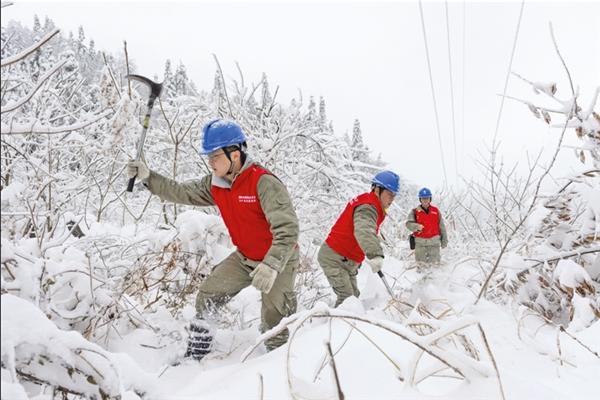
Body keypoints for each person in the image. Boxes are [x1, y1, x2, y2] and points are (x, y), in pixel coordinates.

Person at [127, 119, 299, 361]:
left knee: (274, 319)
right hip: (245, 257)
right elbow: (182, 191)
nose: (210, 162)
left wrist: (271, 265)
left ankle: (279, 364)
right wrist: (148, 177)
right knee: (209, 294)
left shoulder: (263, 183)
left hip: (279, 260)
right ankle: (198, 351)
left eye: (215, 156)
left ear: (235, 154)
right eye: (208, 156)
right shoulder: (216, 184)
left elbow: (288, 229)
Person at [317, 171, 400, 307]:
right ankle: (335, 326)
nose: (392, 199)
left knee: (353, 298)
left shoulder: (371, 203)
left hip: (345, 259)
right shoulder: (368, 206)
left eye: (394, 195)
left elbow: (365, 230)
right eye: (390, 194)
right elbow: (364, 230)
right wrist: (375, 254)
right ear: (377, 189)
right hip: (335, 257)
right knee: (347, 299)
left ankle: (345, 323)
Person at [405, 187, 448, 267]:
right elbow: (408, 224)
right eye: (423, 198)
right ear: (420, 199)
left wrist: (444, 240)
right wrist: (416, 226)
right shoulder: (414, 212)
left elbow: (442, 226)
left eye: (427, 198)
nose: (425, 200)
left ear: (430, 199)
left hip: (434, 244)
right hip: (420, 245)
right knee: (421, 267)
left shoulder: (436, 211)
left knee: (434, 267)